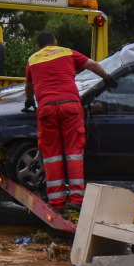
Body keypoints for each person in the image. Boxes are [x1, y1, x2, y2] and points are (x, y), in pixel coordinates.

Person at [24, 30, 116, 212]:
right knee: (73, 153)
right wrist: (106, 77)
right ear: (55, 42)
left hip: (46, 109)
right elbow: (93, 65)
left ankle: (57, 204)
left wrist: (29, 101)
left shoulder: (33, 59)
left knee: (52, 156)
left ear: (38, 47)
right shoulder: (67, 52)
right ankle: (76, 200)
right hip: (70, 107)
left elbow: (29, 86)